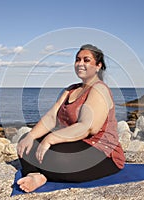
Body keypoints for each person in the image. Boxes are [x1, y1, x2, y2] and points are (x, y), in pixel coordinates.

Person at [16, 44, 125, 192]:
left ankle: (43, 170)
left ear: (98, 65)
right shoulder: (71, 89)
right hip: (76, 143)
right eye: (77, 59)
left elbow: (87, 127)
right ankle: (36, 175)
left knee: (55, 158)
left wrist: (50, 139)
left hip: (101, 153)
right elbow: (51, 117)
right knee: (25, 143)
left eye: (86, 60)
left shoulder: (99, 89)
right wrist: (31, 135)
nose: (80, 63)